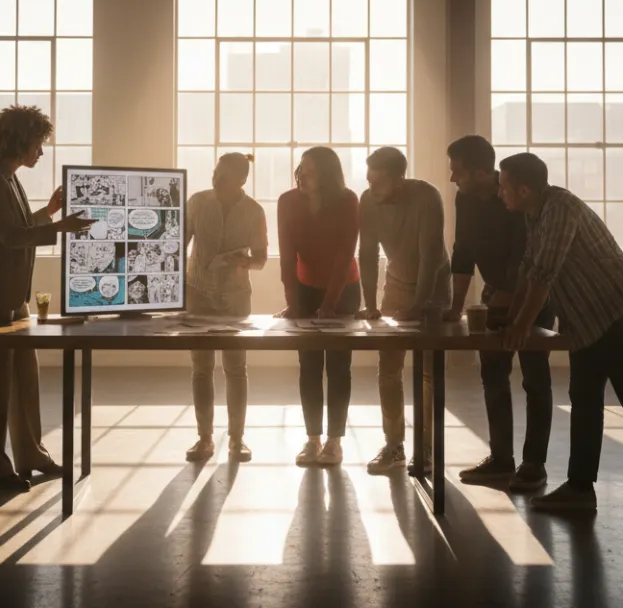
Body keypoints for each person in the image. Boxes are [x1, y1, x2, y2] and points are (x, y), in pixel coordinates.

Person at [498, 152, 623, 512]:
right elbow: (528, 271)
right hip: (589, 321)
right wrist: (512, 324)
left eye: (504, 187)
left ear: (524, 189)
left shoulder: (560, 209)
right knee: (585, 400)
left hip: (617, 313)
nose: (501, 194)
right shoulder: (536, 214)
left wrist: (520, 328)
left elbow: (543, 276)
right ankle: (580, 489)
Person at [0, 105, 95, 493]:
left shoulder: (7, 178)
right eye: (38, 144)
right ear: (21, 141)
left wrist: (48, 213)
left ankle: (30, 454)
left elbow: (16, 226)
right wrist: (62, 226)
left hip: (12, 294)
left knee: (24, 380)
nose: (41, 152)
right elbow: (10, 237)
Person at [446, 135, 556, 492]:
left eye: (457, 172)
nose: (452, 179)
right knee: (493, 375)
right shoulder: (465, 198)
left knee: (534, 379)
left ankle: (534, 465)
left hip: (535, 295)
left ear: (481, 172)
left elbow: (522, 256)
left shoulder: (514, 196)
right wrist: (455, 306)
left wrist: (509, 300)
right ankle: (501, 459)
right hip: (496, 295)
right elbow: (462, 252)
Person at [356, 147, 452, 476]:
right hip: (395, 284)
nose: (372, 189)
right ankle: (394, 445)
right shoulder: (367, 200)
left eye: (379, 183)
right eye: (368, 181)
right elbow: (366, 253)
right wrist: (369, 303)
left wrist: (421, 304)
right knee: (389, 369)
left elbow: (429, 255)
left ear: (400, 179)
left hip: (434, 286)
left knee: (427, 371)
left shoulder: (427, 197)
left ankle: (425, 449)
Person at [279, 146, 362, 467]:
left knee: (339, 367)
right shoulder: (288, 201)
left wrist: (330, 303)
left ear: (327, 176)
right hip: (305, 286)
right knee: (309, 366)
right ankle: (313, 439)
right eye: (300, 169)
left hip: (344, 289)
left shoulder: (347, 200)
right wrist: (292, 302)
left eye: (309, 171)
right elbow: (287, 256)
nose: (301, 176)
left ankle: (335, 442)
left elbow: (345, 254)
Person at [183, 152, 268, 463]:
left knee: (236, 369)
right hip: (198, 294)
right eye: (216, 172)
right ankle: (204, 439)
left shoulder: (255, 212)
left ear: (241, 180)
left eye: (224, 175)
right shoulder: (197, 202)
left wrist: (241, 261)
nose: (216, 179)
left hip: (235, 297)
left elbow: (260, 259)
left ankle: (236, 440)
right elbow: (177, 245)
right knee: (201, 368)